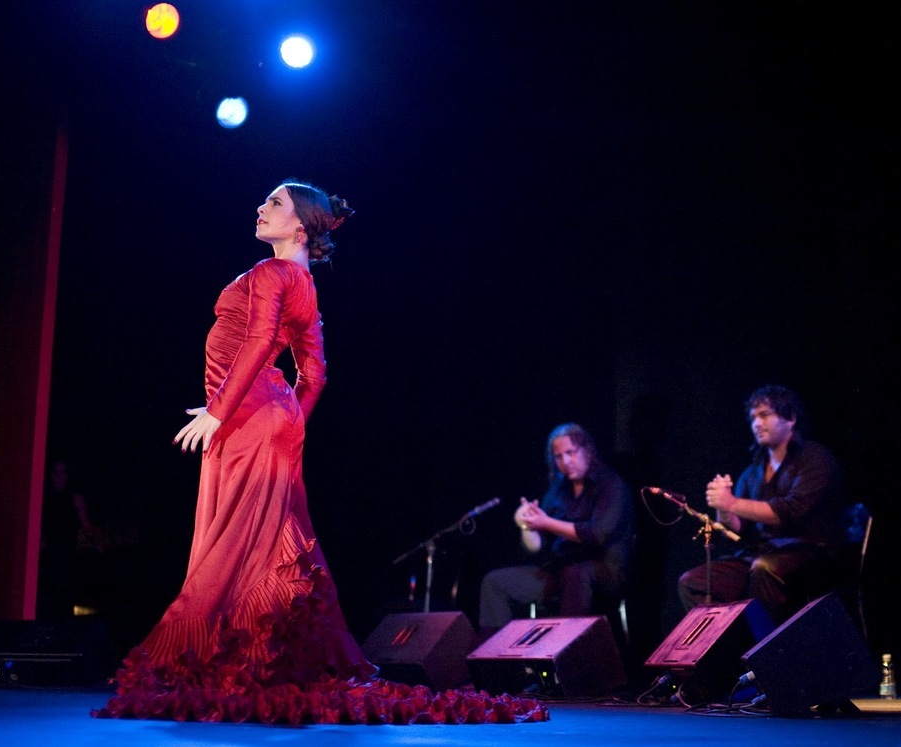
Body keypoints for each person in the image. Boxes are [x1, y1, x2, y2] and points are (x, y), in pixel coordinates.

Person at [93, 181, 547, 725]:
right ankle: (263, 653)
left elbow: (261, 343)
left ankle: (217, 653)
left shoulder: (273, 274)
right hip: (262, 417)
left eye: (275, 204)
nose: (260, 208)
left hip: (247, 416)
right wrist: (282, 424)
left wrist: (226, 411)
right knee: (265, 544)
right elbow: (316, 374)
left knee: (235, 543)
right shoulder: (303, 281)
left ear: (301, 226)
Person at [677, 385, 849, 628]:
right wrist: (724, 507)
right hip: (763, 553)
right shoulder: (753, 471)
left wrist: (733, 502)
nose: (756, 423)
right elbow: (737, 529)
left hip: (812, 552)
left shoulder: (814, 458)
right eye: (753, 418)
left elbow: (791, 510)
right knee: (693, 581)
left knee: (764, 569)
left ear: (790, 419)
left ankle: (769, 655)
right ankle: (725, 654)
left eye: (765, 415)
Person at [479, 423, 634, 640]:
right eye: (559, 456)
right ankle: (494, 657)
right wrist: (528, 523)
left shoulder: (610, 484)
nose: (566, 461)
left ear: (587, 451)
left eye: (570, 452)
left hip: (605, 571)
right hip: (559, 571)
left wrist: (546, 522)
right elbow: (538, 545)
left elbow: (597, 534)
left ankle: (563, 653)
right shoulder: (559, 490)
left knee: (577, 573)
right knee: (495, 581)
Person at [38, 459, 105, 619]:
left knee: (64, 602)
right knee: (47, 602)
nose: (59, 477)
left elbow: (86, 526)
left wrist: (99, 545)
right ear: (50, 474)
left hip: (66, 558)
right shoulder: (42, 497)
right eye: (56, 472)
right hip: (47, 559)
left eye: (63, 472)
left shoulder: (74, 498)